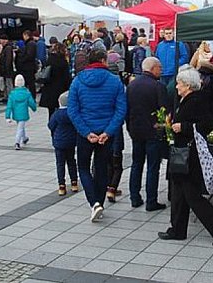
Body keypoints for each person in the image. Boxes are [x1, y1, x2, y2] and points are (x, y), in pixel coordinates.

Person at [159, 66, 213, 247]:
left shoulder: (196, 100)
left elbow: (206, 125)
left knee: (192, 196)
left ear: (188, 85)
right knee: (178, 194)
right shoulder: (185, 99)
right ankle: (177, 229)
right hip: (181, 152)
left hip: (189, 155)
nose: (176, 87)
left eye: (179, 84)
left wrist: (183, 127)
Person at [67, 49, 127, 222]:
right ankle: (98, 202)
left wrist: (85, 132)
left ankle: (94, 202)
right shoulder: (115, 81)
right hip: (106, 133)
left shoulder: (77, 81)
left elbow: (72, 110)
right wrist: (109, 131)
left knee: (84, 168)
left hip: (85, 133)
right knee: (101, 169)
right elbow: (121, 109)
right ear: (103, 60)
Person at [127, 57, 168, 211]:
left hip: (136, 130)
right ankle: (151, 201)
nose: (161, 70)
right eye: (160, 67)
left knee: (136, 164)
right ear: (153, 68)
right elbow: (164, 111)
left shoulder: (132, 85)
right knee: (152, 166)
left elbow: (127, 109)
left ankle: (135, 197)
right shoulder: (158, 86)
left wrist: (129, 127)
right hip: (153, 131)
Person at [48, 91, 78, 196]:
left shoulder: (56, 114)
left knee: (60, 164)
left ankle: (62, 186)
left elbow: (51, 125)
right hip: (71, 141)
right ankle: (74, 183)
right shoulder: (72, 113)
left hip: (59, 142)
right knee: (71, 161)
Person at [39, 43, 71, 118]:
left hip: (49, 89)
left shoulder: (50, 60)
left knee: (51, 111)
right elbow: (67, 78)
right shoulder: (64, 62)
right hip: (60, 89)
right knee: (60, 110)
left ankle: (51, 125)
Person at [5, 74, 37, 150]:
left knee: (20, 126)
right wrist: (34, 108)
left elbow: (9, 106)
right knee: (20, 128)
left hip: (16, 114)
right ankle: (17, 142)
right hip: (24, 113)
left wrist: (7, 116)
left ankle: (24, 138)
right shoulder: (27, 93)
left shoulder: (12, 94)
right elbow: (31, 103)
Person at [16, 30, 38, 97]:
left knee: (30, 83)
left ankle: (31, 96)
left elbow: (29, 55)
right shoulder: (31, 43)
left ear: (26, 35)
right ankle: (31, 96)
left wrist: (22, 59)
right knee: (30, 83)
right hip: (29, 66)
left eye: (23, 36)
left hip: (28, 67)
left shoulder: (30, 44)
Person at [0, 36, 15, 103]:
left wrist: (6, 69)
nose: (1, 42)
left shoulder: (8, 48)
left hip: (7, 70)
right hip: (4, 70)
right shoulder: (6, 48)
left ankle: (10, 97)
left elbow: (8, 60)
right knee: (5, 84)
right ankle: (6, 96)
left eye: (1, 40)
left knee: (8, 84)